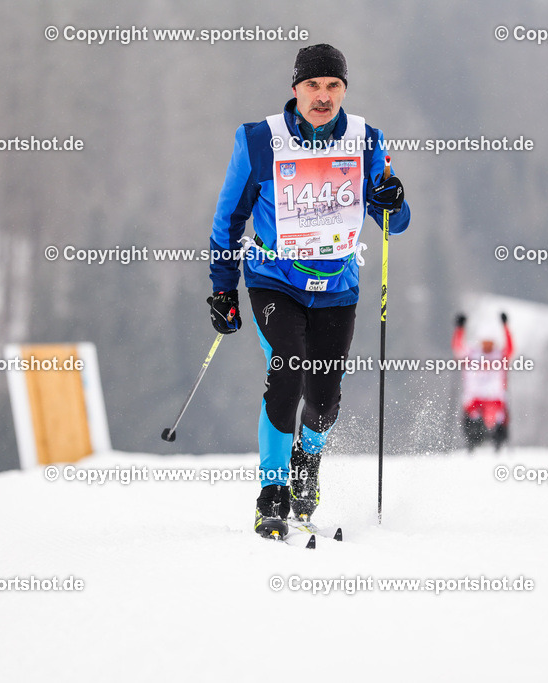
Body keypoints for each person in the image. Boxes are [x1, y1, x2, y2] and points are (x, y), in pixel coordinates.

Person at [206, 44, 411, 537]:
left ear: (344, 89)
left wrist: (392, 199)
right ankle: (272, 491)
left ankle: (307, 463)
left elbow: (395, 221)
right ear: (295, 89)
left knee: (324, 398)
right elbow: (229, 218)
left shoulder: (366, 141)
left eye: (333, 86)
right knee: (288, 370)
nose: (323, 97)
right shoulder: (259, 140)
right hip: (274, 279)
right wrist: (223, 288)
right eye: (313, 86)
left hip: (337, 287)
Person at [452, 312, 513, 452]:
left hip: (495, 397)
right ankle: (472, 441)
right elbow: (458, 349)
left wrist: (505, 326)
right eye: (485, 342)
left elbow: (510, 348)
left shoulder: (499, 355)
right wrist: (460, 328)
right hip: (475, 397)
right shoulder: (472, 354)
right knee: (472, 418)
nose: (487, 346)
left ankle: (498, 441)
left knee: (498, 419)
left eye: (490, 342)